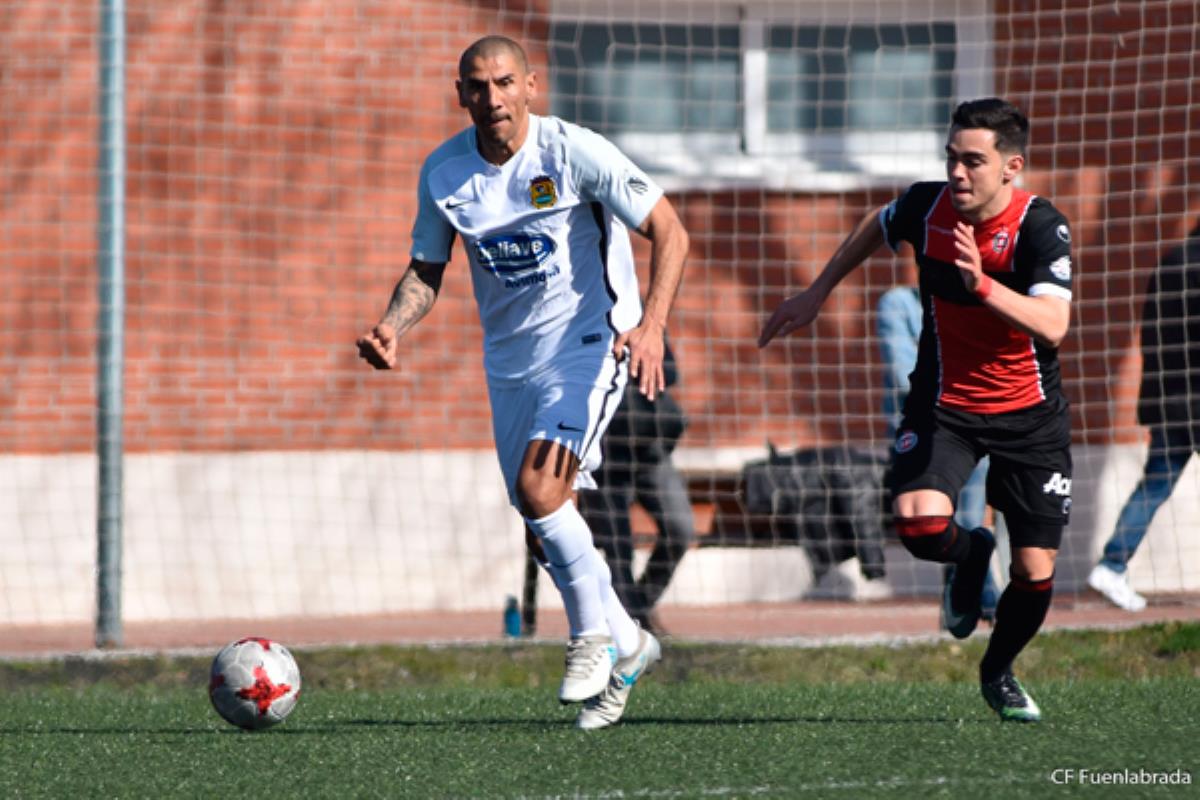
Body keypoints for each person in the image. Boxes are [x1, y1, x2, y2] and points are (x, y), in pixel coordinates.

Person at [356, 36, 689, 730]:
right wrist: (394, 325)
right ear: (461, 95)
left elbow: (669, 229)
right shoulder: (444, 172)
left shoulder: (573, 151)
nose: (493, 97)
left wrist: (651, 325)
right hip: (508, 364)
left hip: (591, 343)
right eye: (478, 86)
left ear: (531, 86)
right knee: (544, 521)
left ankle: (590, 639)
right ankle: (630, 645)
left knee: (543, 490)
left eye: (505, 82)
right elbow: (427, 267)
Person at [760, 98, 1073, 723]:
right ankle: (971, 551)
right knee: (919, 525)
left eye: (973, 162)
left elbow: (1054, 324)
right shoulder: (925, 206)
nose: (958, 173)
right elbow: (876, 225)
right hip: (945, 404)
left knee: (1036, 573)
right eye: (951, 158)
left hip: (1029, 415)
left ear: (1011, 167)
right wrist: (817, 293)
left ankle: (998, 669)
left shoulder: (1041, 226)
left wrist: (983, 284)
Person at [1087, 219, 1200, 612]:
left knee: (1155, 484)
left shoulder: (1170, 262)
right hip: (1189, 395)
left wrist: (1150, 401)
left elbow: (1150, 338)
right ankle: (1111, 565)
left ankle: (1112, 564)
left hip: (1170, 398)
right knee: (1156, 484)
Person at [877, 286, 1000, 624]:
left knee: (972, 517)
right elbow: (903, 374)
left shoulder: (977, 298)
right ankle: (970, 596)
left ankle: (974, 597)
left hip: (973, 424)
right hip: (921, 433)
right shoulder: (897, 303)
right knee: (926, 525)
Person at [580, 339, 694, 636]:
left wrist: (639, 358)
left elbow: (668, 371)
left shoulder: (639, 313)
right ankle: (627, 629)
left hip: (649, 447)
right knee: (618, 549)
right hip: (605, 453)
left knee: (681, 529)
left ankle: (639, 607)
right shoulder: (580, 318)